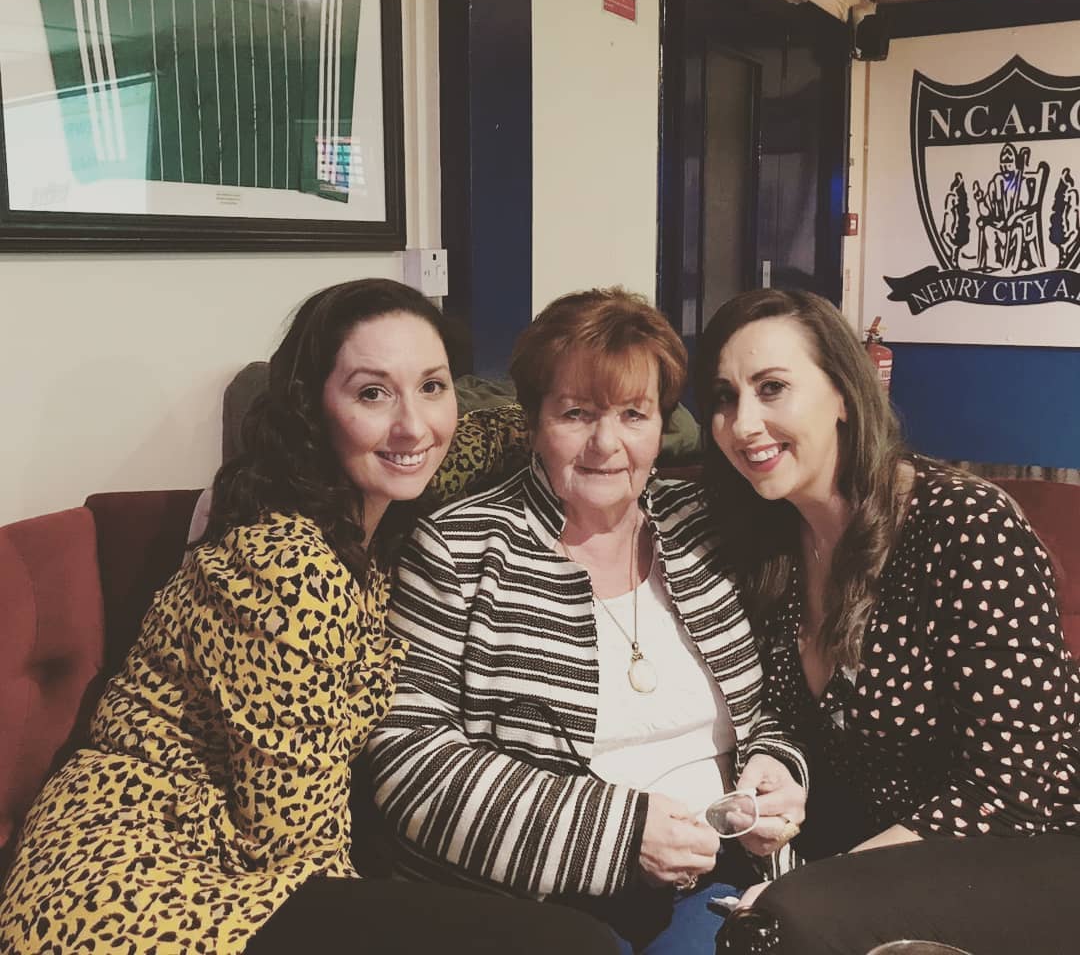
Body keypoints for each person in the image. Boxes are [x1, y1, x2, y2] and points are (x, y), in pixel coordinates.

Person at [0, 279, 621, 955]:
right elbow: (292, 840)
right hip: (137, 885)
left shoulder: (382, 499)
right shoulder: (285, 569)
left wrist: (591, 417)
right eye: (372, 393)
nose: (414, 425)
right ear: (312, 407)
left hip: (227, 862)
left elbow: (501, 432)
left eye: (433, 386)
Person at [368, 288, 808, 955]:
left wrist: (775, 769)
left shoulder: (707, 527)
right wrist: (621, 835)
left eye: (635, 414)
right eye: (577, 413)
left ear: (664, 425)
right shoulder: (459, 548)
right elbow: (409, 757)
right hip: (537, 905)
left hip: (724, 879)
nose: (607, 444)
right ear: (534, 421)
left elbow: (771, 704)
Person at [693, 287, 1080, 955]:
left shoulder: (966, 526)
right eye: (725, 398)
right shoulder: (771, 539)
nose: (743, 422)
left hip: (1032, 849)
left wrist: (831, 882)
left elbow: (1007, 792)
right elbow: (788, 719)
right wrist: (771, 771)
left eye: (772, 388)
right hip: (872, 852)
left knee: (788, 922)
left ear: (844, 393)